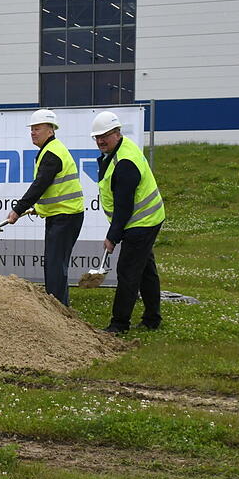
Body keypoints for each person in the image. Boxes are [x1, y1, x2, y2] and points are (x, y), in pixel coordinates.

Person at [91, 111, 166, 333]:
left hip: (142, 222)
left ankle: (119, 324)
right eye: (97, 137)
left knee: (128, 271)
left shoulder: (125, 163)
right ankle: (152, 319)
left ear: (117, 133)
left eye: (106, 135)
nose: (101, 141)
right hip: (144, 218)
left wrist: (112, 236)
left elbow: (124, 207)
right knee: (145, 269)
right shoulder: (118, 151)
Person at [5, 109, 85, 306]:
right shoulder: (50, 151)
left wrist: (17, 209)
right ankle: (59, 306)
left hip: (65, 217)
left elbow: (39, 186)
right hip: (63, 215)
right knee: (55, 263)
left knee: (55, 265)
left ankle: (57, 309)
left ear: (50, 130)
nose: (33, 132)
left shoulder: (52, 154)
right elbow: (52, 189)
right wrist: (37, 209)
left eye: (37, 128)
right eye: (31, 129)